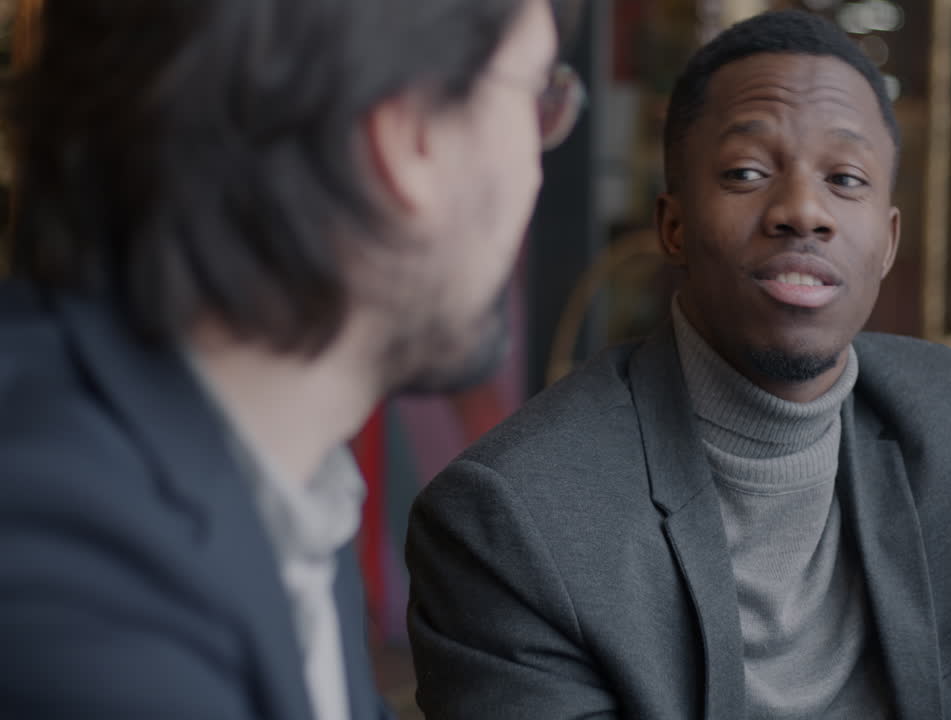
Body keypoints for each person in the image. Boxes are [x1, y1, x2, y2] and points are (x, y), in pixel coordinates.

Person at [405, 10, 951, 719]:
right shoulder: (516, 523)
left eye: (847, 181)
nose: (802, 212)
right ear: (673, 226)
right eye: (748, 172)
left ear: (889, 243)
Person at [0, 0, 582, 717]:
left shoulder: (286, 480)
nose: (537, 170)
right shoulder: (75, 571)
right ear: (409, 138)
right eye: (535, 98)